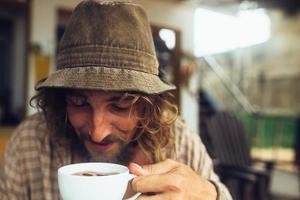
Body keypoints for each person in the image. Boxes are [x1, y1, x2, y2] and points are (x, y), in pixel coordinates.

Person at [0, 1, 232, 199]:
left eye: (119, 106)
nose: (97, 132)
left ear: (148, 107)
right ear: (61, 101)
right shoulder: (30, 141)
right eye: (79, 103)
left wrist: (209, 193)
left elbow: (219, 193)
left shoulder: (181, 143)